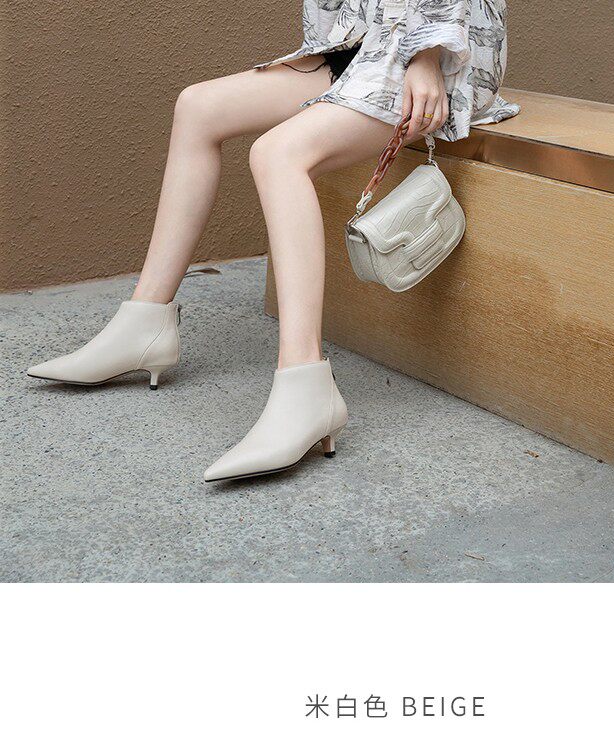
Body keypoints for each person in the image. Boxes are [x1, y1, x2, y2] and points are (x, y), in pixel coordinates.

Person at [27, 0, 520, 482]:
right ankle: (144, 322)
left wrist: (427, 54)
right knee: (197, 106)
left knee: (277, 154)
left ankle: (306, 384)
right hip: (359, 44)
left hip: (433, 57)